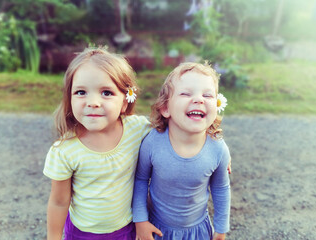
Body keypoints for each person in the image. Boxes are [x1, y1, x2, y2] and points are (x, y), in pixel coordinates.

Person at [43, 47, 152, 240]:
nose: (93, 102)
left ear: (125, 101)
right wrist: (53, 237)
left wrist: (213, 146)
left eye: (107, 93)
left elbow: (175, 131)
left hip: (125, 229)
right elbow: (59, 202)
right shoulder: (65, 150)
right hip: (81, 234)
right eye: (81, 92)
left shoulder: (137, 129)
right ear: (69, 97)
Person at [133, 62, 231, 240]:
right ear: (165, 108)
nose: (199, 99)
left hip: (197, 231)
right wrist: (140, 221)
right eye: (186, 93)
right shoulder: (153, 143)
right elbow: (140, 180)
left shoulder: (218, 149)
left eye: (208, 95)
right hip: (157, 229)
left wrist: (221, 229)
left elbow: (221, 187)